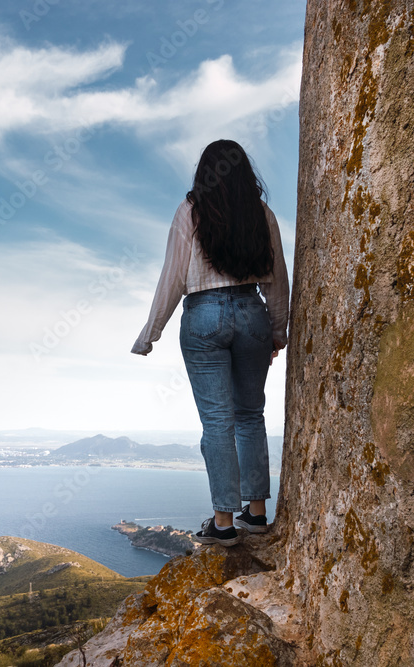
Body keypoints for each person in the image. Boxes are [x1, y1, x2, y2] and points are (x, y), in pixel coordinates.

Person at [130, 139, 289, 546]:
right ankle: (255, 515)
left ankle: (223, 523)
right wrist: (277, 330)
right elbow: (277, 277)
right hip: (252, 312)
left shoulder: (190, 213)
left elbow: (172, 277)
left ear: (204, 174)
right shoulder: (262, 213)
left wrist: (150, 334)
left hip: (203, 316)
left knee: (218, 421)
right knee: (251, 415)